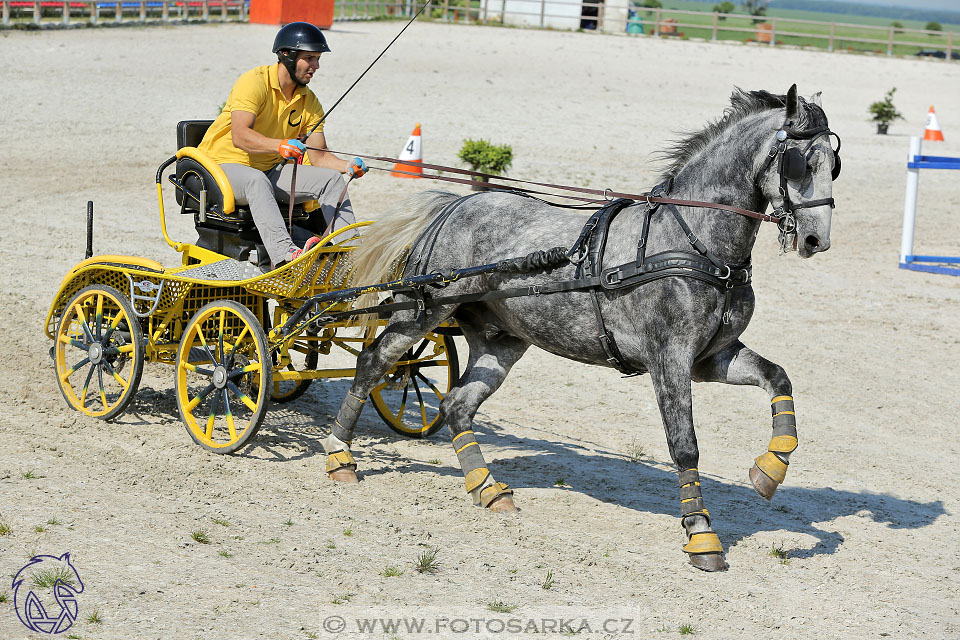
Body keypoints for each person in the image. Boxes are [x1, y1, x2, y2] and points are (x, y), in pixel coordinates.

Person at [198, 22, 368, 269]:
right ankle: (285, 253)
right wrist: (280, 146)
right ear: (286, 55)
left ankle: (350, 253)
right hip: (221, 167)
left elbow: (319, 156)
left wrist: (347, 165)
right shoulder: (254, 83)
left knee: (331, 180)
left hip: (269, 172)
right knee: (256, 180)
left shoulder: (308, 101)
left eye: (318, 59)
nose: (316, 66)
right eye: (309, 58)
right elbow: (240, 136)